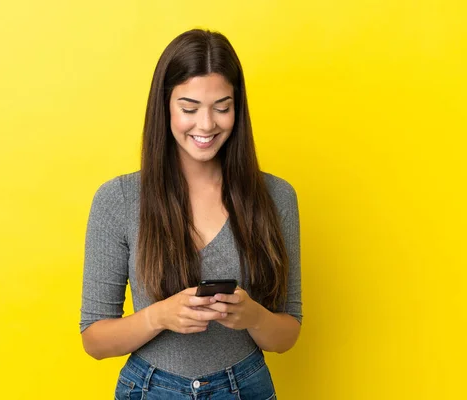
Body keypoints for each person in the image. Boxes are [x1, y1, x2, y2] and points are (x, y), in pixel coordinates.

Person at [79, 28, 302, 400]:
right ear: (165, 106)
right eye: (189, 108)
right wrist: (158, 316)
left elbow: (288, 333)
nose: (206, 125)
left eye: (222, 107)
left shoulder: (276, 197)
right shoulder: (118, 199)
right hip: (150, 388)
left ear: (238, 108)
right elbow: (94, 340)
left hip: (245, 386)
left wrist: (254, 317)